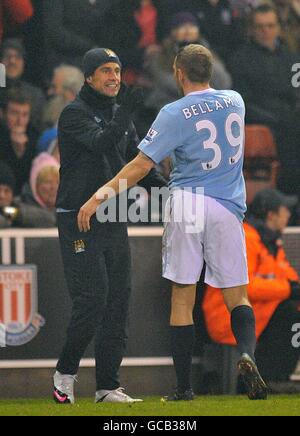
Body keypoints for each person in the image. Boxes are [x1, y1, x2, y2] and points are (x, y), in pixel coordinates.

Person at [78, 44, 268, 401]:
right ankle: (246, 353)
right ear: (210, 71)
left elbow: (140, 167)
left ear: (179, 73)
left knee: (182, 296)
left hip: (187, 204)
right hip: (228, 207)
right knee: (237, 295)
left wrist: (98, 198)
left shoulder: (173, 112)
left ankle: (183, 389)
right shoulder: (235, 101)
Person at [54, 48, 166, 404]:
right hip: (78, 217)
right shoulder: (73, 114)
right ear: (88, 77)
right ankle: (64, 374)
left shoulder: (119, 114)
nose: (114, 77)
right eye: (105, 71)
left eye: (117, 70)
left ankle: (107, 386)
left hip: (113, 216)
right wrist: (127, 116)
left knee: (118, 300)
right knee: (92, 299)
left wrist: (170, 191)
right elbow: (101, 143)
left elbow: (135, 163)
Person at [203, 189, 300, 392]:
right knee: (290, 312)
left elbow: (286, 276)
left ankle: (272, 378)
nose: (288, 215)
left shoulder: (270, 241)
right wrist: (288, 289)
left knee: (292, 309)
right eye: (284, 211)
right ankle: (271, 379)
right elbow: (245, 286)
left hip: (256, 312)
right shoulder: (246, 237)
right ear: (271, 215)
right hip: (229, 315)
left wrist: (292, 287)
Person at [230, 4, 300, 198]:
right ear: (252, 29)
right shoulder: (240, 59)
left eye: (270, 25)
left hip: (290, 115)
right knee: (290, 130)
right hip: (261, 116)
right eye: (260, 26)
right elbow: (242, 99)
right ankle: (289, 195)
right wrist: (278, 117)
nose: (265, 31)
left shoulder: (292, 58)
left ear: (278, 27)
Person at [145, 12, 232, 112]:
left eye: (192, 26)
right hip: (169, 107)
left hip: (203, 107)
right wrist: (202, 90)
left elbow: (224, 82)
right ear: (172, 32)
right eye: (182, 26)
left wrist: (204, 53)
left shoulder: (207, 53)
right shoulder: (160, 56)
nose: (187, 30)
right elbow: (169, 83)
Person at [0, 38, 46, 131]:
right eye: (7, 56)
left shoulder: (36, 95)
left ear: (23, 63)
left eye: (17, 57)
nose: (12, 61)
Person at [0, 88, 38, 194]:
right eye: (14, 113)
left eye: (25, 115)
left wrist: (20, 152)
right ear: (2, 113)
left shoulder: (34, 135)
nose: (20, 121)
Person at [0, 160, 56, 228]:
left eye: (7, 191)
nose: (2, 195)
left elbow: (49, 220)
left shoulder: (16, 205)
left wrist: (12, 213)